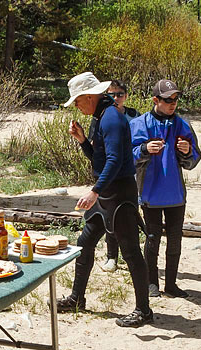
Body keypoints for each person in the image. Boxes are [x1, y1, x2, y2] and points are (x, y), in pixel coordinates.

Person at [61, 72, 153, 327]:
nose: (77, 106)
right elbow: (99, 158)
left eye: (78, 101)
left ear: (89, 96)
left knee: (131, 252)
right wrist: (82, 141)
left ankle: (144, 311)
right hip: (107, 193)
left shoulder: (111, 117)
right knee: (85, 241)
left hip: (119, 194)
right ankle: (77, 298)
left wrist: (94, 191)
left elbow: (114, 161)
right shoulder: (100, 116)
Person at [130, 79, 201, 298]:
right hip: (150, 193)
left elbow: (193, 160)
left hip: (176, 195)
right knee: (152, 239)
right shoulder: (139, 124)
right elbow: (127, 156)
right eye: (168, 99)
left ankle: (171, 284)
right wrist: (144, 148)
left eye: (175, 99)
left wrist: (187, 151)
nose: (173, 103)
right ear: (155, 100)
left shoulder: (183, 125)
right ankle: (152, 283)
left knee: (175, 240)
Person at [101, 80, 140, 274]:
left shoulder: (134, 115)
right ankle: (111, 256)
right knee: (111, 216)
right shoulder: (103, 116)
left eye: (120, 94)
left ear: (126, 95)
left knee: (129, 214)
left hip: (131, 170)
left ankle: (132, 256)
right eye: (112, 94)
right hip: (111, 174)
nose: (116, 98)